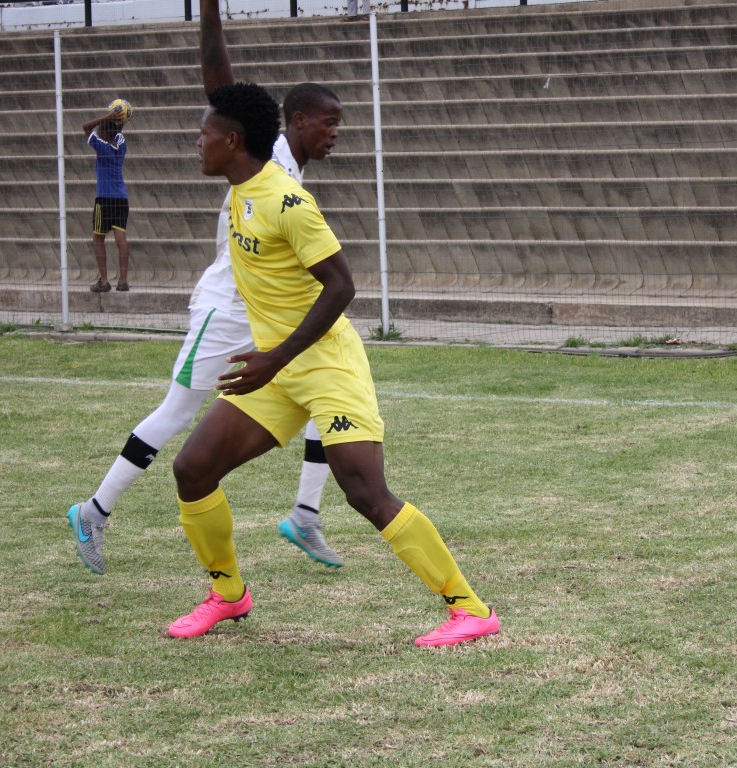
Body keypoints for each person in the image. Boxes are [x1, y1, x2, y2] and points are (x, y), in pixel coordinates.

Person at [163, 0, 500, 647]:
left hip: (321, 362)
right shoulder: (242, 181)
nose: (197, 141)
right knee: (193, 469)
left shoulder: (288, 200)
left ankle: (470, 608)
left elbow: (342, 286)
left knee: (365, 492)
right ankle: (228, 596)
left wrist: (275, 356)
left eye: (204, 134)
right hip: (277, 365)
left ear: (232, 141)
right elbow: (220, 83)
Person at [67, 90, 347, 576]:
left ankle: (305, 513)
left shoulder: (286, 168)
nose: (336, 132)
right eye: (329, 122)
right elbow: (223, 92)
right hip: (225, 311)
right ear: (299, 121)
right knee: (177, 412)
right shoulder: (270, 157)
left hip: (263, 312)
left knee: (326, 391)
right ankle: (93, 510)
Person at [83, 104, 131, 292]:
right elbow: (117, 133)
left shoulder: (102, 147)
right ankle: (123, 281)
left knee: (98, 238)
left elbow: (86, 127)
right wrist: (120, 119)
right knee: (121, 240)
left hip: (104, 199)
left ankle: (104, 281)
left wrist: (108, 117)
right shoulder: (121, 145)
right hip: (121, 198)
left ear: (103, 133)